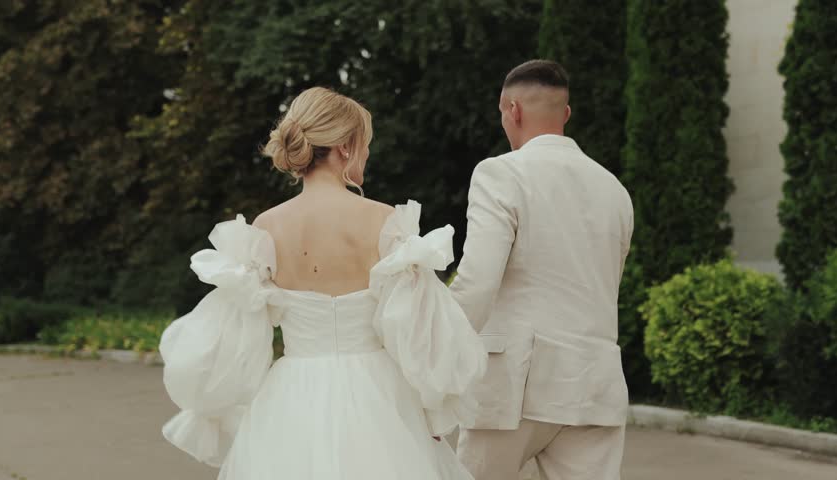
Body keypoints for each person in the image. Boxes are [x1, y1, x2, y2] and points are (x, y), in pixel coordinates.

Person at [159, 87, 487, 480]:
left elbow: (235, 332)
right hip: (377, 397)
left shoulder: (265, 228)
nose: (367, 153)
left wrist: (217, 403)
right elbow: (417, 330)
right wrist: (433, 409)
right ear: (346, 147)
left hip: (292, 396)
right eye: (365, 144)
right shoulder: (384, 222)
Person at [451, 60, 634, 480]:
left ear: (511, 110)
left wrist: (428, 347)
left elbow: (477, 284)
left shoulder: (499, 173)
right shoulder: (615, 190)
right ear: (565, 114)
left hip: (514, 386)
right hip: (594, 384)